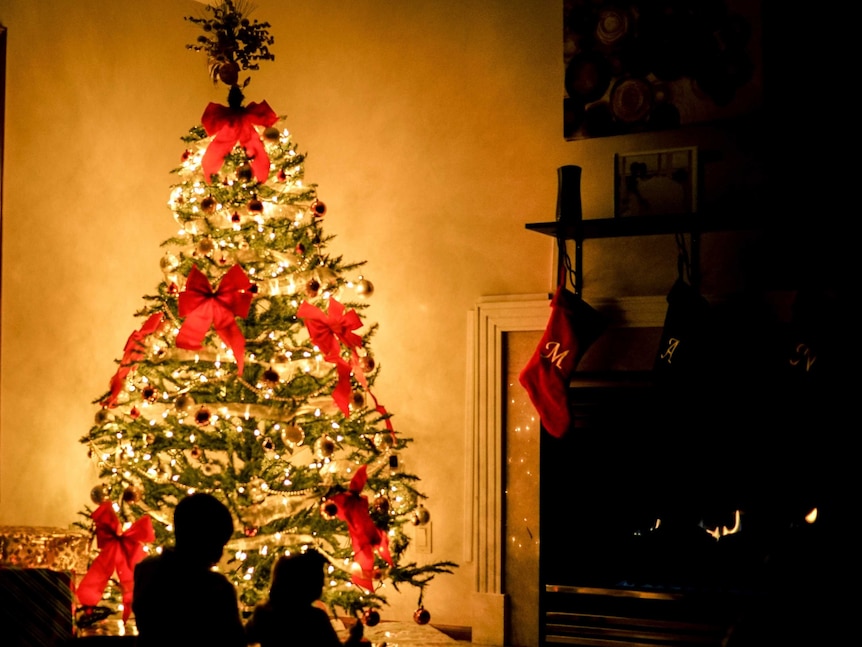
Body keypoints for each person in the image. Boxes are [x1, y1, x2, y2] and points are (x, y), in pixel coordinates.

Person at [132, 492, 246, 647]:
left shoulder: (145, 570)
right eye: (218, 544)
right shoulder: (217, 588)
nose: (220, 554)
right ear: (203, 541)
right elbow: (234, 640)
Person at [245, 548, 365, 646]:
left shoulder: (263, 614)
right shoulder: (316, 618)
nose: (323, 584)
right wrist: (354, 637)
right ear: (311, 585)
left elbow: (245, 638)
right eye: (320, 581)